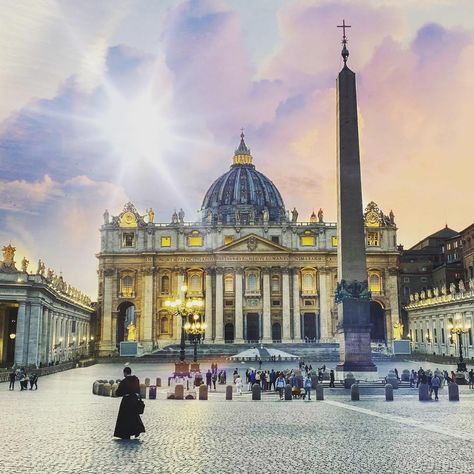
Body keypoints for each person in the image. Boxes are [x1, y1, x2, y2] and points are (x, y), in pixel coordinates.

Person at [114, 366, 145, 440]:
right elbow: (138, 390)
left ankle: (125, 433)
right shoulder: (136, 380)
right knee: (134, 416)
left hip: (126, 401)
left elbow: (119, 392)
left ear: (125, 373)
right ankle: (136, 430)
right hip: (134, 400)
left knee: (125, 418)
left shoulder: (124, 381)